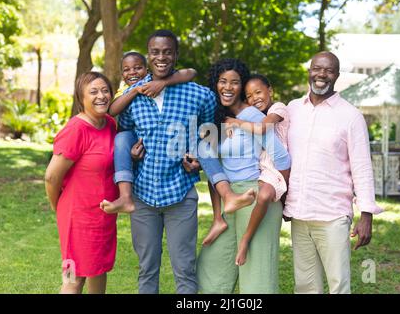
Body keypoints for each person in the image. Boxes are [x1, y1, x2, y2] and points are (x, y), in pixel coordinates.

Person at [117, 30, 254, 294]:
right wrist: (132, 157)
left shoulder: (199, 95)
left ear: (176, 55)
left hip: (180, 195)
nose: (161, 57)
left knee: (185, 270)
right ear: (148, 55)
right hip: (143, 196)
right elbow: (125, 132)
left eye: (167, 51)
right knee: (147, 270)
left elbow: (207, 134)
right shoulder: (134, 95)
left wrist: (199, 160)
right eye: (155, 52)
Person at [284, 51, 383, 294]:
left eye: (328, 70)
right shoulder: (293, 109)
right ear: (309, 71)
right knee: (305, 286)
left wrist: (366, 214)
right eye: (317, 68)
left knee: (338, 285)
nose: (321, 74)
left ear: (336, 76)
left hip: (333, 216)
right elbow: (280, 155)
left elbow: (362, 166)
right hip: (299, 213)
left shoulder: (351, 116)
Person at [195, 58, 291, 293]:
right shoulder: (218, 117)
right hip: (230, 199)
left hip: (255, 194)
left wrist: (280, 194)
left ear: (242, 87)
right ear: (215, 84)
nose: (228, 87)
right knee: (211, 268)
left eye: (235, 82)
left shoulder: (252, 115)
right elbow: (214, 164)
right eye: (222, 81)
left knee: (256, 278)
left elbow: (283, 159)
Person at [44, 72, 118, 294]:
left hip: (103, 214)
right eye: (93, 92)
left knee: (98, 270)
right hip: (77, 217)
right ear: (81, 98)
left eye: (105, 90)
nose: (101, 96)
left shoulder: (110, 124)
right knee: (73, 278)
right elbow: (51, 176)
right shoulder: (76, 129)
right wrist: (58, 207)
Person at [100, 51, 198, 214]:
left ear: (147, 70)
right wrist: (135, 90)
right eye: (126, 69)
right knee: (122, 138)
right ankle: (125, 196)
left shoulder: (158, 83)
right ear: (122, 74)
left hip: (160, 141)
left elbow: (191, 72)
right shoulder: (124, 91)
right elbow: (112, 110)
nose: (132, 72)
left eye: (137, 68)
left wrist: (164, 82)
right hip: (133, 137)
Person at [219, 73, 290, 265]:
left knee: (264, 195)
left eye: (258, 92)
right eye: (249, 96)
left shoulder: (278, 108)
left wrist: (235, 122)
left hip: (276, 166)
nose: (254, 99)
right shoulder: (261, 113)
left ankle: (246, 239)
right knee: (263, 196)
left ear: (271, 90)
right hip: (266, 164)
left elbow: (261, 129)